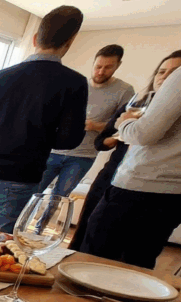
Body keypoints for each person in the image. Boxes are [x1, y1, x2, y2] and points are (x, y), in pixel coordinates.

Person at [0, 6, 87, 232]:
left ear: (35, 38)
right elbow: (68, 141)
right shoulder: (74, 83)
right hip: (22, 178)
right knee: (0, 253)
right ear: (70, 42)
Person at [71, 51, 181, 251]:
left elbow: (144, 135)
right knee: (87, 231)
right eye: (161, 71)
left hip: (140, 185)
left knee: (110, 248)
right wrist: (122, 132)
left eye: (174, 72)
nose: (165, 77)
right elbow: (102, 142)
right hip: (113, 173)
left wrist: (128, 127)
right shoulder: (136, 104)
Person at [35, 44, 134, 198]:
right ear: (93, 63)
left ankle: (43, 223)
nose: (101, 71)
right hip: (54, 151)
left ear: (118, 66)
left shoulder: (125, 90)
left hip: (83, 156)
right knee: (33, 190)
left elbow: (121, 126)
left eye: (108, 67)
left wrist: (95, 125)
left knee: (60, 197)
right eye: (98, 66)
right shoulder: (77, 85)